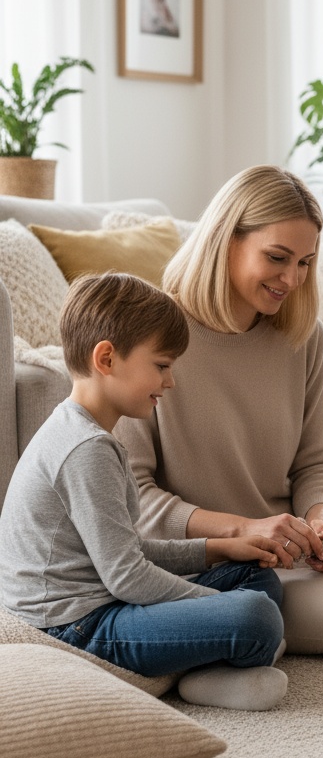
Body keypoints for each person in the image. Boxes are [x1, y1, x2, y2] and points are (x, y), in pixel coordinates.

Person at [115, 165, 323, 658]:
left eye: (305, 261)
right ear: (227, 240)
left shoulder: (303, 337)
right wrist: (243, 529)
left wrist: (321, 518)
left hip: (297, 536)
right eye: (277, 257)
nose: (292, 278)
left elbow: (318, 460)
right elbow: (134, 500)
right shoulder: (151, 337)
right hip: (216, 560)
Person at [0, 273, 290, 711]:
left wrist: (220, 548)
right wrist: (217, 605)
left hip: (105, 597)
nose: (170, 381)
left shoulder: (86, 432)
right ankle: (208, 675)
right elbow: (127, 577)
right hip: (78, 626)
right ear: (107, 358)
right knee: (256, 614)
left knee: (256, 576)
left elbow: (126, 552)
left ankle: (211, 662)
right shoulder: (85, 450)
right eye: (161, 365)